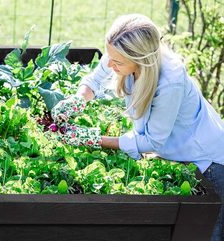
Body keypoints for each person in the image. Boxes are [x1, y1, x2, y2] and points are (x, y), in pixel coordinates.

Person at [51, 14, 224, 241]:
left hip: (207, 162)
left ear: (141, 60)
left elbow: (151, 142)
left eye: (117, 62)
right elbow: (96, 78)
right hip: (178, 153)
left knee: (204, 235)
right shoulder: (121, 53)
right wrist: (78, 100)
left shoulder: (170, 82)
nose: (110, 64)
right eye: (110, 57)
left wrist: (93, 139)